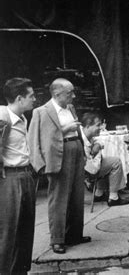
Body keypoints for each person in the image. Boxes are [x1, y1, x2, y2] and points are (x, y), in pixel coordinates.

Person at [28, 78, 90, 254]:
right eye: (69, 93)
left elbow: (77, 131)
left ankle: (74, 234)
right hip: (57, 155)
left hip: (75, 150)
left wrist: (84, 150)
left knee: (77, 195)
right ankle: (57, 239)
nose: (74, 95)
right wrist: (39, 165)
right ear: (57, 94)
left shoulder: (70, 108)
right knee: (59, 198)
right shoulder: (41, 112)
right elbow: (33, 140)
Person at [0, 78, 36, 274]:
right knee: (7, 233)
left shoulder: (22, 118)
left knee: (25, 231)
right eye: (31, 96)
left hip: (25, 175)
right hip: (9, 179)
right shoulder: (2, 117)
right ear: (20, 98)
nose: (35, 99)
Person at [80, 112, 129, 207]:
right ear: (87, 126)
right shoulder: (82, 141)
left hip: (90, 167)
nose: (101, 127)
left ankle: (99, 193)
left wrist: (98, 145)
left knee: (105, 161)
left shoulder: (87, 134)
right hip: (87, 173)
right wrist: (98, 153)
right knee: (116, 162)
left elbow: (99, 141)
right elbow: (93, 169)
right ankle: (113, 197)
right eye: (98, 125)